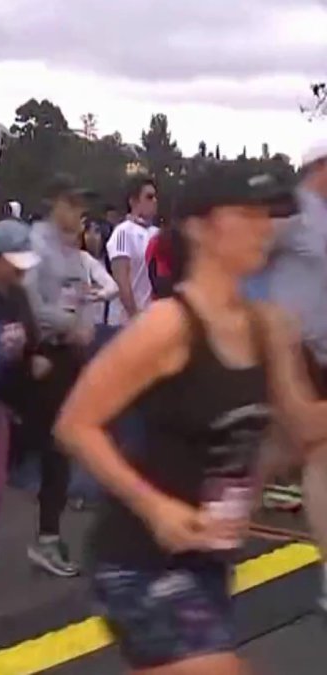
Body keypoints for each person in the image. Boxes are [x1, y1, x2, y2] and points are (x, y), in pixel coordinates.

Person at [54, 165, 327, 675]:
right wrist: (156, 507)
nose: (264, 227)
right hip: (139, 556)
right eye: (246, 215)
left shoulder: (269, 326)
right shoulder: (169, 325)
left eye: (268, 216)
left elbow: (304, 428)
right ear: (200, 227)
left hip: (209, 557)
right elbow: (75, 424)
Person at [16, 175, 103, 578]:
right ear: (54, 204)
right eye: (72, 203)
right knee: (15, 447)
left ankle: (47, 537)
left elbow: (82, 294)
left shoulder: (72, 251)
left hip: (64, 358)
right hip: (37, 356)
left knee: (57, 447)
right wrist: (67, 324)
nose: (79, 211)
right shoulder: (36, 245)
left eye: (81, 204)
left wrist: (81, 325)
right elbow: (28, 302)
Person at [259, 139, 327, 611]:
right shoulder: (293, 213)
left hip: (318, 353)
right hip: (294, 351)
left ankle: (193, 524)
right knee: (318, 458)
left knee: (273, 454)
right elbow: (245, 251)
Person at [0, 220, 44, 519]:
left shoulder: (17, 296)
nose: (22, 270)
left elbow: (31, 339)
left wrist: (33, 358)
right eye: (14, 261)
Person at [106, 176, 159, 326]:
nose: (154, 201)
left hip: (152, 318)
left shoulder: (158, 234)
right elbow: (121, 281)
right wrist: (135, 316)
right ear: (134, 201)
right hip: (125, 321)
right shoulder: (122, 232)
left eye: (155, 197)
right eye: (149, 197)